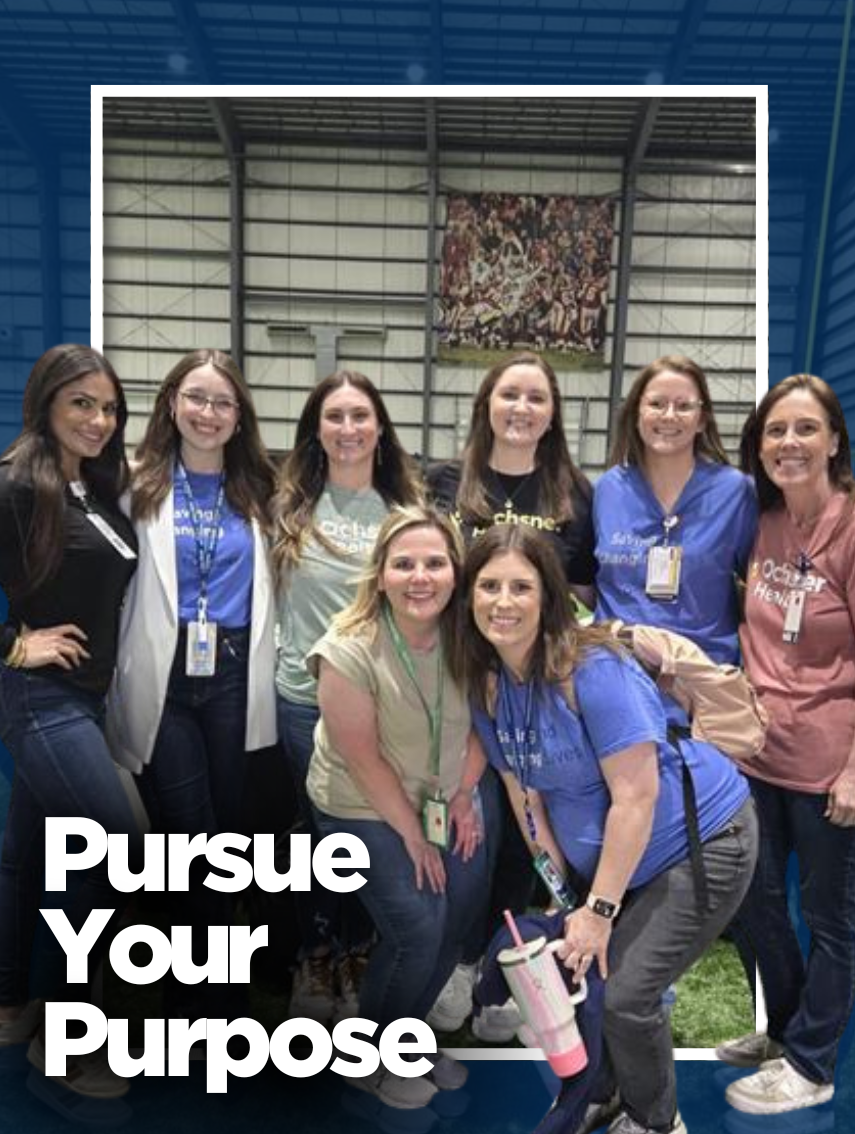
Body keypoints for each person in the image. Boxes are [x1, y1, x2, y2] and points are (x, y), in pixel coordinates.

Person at [457, 523, 758, 1134]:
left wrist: (596, 909)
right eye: (489, 586)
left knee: (625, 996)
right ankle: (602, 1094)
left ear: (549, 597)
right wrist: (562, 891)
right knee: (584, 977)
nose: (503, 602)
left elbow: (636, 796)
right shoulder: (490, 685)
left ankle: (655, 1122)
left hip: (703, 844)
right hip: (620, 865)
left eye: (521, 586)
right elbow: (525, 794)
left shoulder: (591, 667)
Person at [427, 350, 597, 1038]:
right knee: (471, 826)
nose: (521, 409)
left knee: (535, 837)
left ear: (552, 412)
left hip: (537, 692)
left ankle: (510, 970)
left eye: (535, 398)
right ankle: (461, 962)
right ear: (486, 406)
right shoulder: (443, 481)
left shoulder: (573, 494)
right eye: (508, 396)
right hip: (458, 680)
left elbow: (583, 596)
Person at [106, 348, 277, 1020]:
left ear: (239, 419)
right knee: (191, 829)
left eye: (222, 402)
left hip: (234, 672)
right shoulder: (134, 484)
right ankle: (213, 990)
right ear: (173, 403)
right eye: (196, 398)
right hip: (164, 674)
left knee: (226, 833)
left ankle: (193, 970)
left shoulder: (259, 491)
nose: (208, 413)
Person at [307, 505, 488, 1109]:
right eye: (403, 563)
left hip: (439, 795)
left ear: (455, 572)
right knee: (417, 924)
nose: (420, 577)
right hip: (361, 804)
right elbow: (363, 761)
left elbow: (481, 726)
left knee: (457, 910)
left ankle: (407, 1035)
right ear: (380, 573)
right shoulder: (349, 647)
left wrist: (464, 792)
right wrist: (413, 834)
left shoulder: (470, 636)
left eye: (435, 563)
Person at [0, 345, 140, 1098]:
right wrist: (16, 644)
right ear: (48, 401)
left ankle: (11, 1002)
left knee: (22, 858)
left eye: (109, 407)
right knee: (116, 847)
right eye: (82, 402)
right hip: (39, 699)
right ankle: (64, 1037)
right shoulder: (17, 484)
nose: (98, 419)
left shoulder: (91, 486)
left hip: (85, 698)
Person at [717, 374, 855, 1116]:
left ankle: (810, 1063)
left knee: (831, 917)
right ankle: (788, 1030)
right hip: (754, 752)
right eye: (774, 431)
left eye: (805, 429)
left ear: (834, 439)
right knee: (749, 899)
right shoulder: (765, 521)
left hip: (828, 763)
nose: (788, 443)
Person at [272, 370, 422, 1024]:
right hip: (302, 702)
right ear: (315, 430)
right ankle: (315, 955)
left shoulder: (406, 512)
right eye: (333, 417)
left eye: (360, 416)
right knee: (315, 837)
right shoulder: (287, 508)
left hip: (380, 708)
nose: (348, 429)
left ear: (380, 428)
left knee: (368, 836)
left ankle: (359, 951)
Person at [594, 355, 757, 665]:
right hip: (619, 668)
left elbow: (759, 587)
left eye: (684, 407)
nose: (669, 415)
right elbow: (588, 583)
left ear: (702, 420)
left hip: (704, 671)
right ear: (636, 412)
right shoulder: (608, 490)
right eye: (656, 404)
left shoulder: (735, 493)